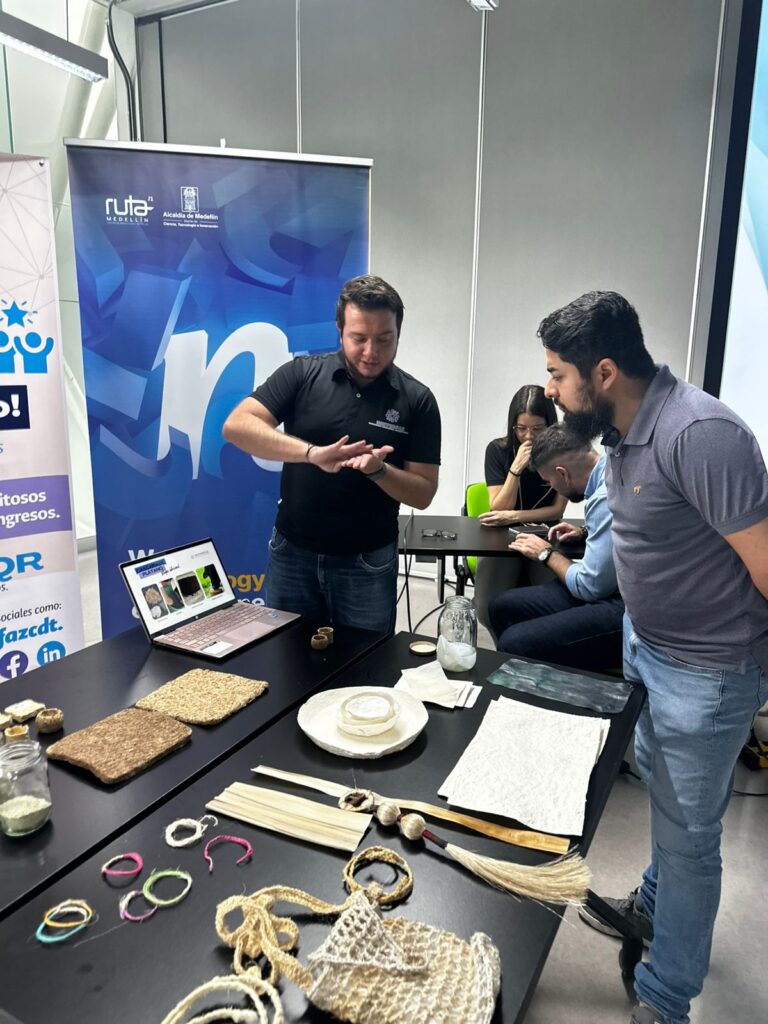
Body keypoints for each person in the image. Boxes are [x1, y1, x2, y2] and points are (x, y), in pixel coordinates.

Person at [538, 289, 768, 1024]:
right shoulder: (620, 434)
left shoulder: (701, 434)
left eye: (558, 375)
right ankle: (654, 906)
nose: (550, 390)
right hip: (648, 648)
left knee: (690, 839)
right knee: (666, 804)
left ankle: (666, 1000)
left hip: (706, 672)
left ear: (604, 373)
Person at [222, 275, 441, 634]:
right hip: (292, 554)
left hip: (367, 562)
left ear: (399, 334)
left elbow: (423, 493)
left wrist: (379, 470)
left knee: (366, 660)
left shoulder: (417, 400)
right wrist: (311, 453)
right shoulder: (302, 374)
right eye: (359, 338)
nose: (371, 352)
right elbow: (237, 425)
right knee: (286, 656)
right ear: (339, 330)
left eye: (384, 339)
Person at [488, 424, 624, 671]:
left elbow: (589, 587)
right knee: (501, 606)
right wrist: (585, 532)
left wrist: (546, 553)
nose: (551, 487)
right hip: (612, 585)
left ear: (563, 473)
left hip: (624, 605)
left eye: (549, 481)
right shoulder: (609, 465)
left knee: (513, 643)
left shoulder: (604, 498)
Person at [473, 385, 567, 628]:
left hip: (544, 534)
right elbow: (498, 508)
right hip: (503, 537)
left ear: (550, 424)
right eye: (521, 428)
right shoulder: (497, 450)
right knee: (486, 609)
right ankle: (505, 645)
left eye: (537, 429)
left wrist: (514, 516)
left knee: (552, 608)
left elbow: (557, 510)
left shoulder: (564, 452)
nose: (528, 436)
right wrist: (515, 468)